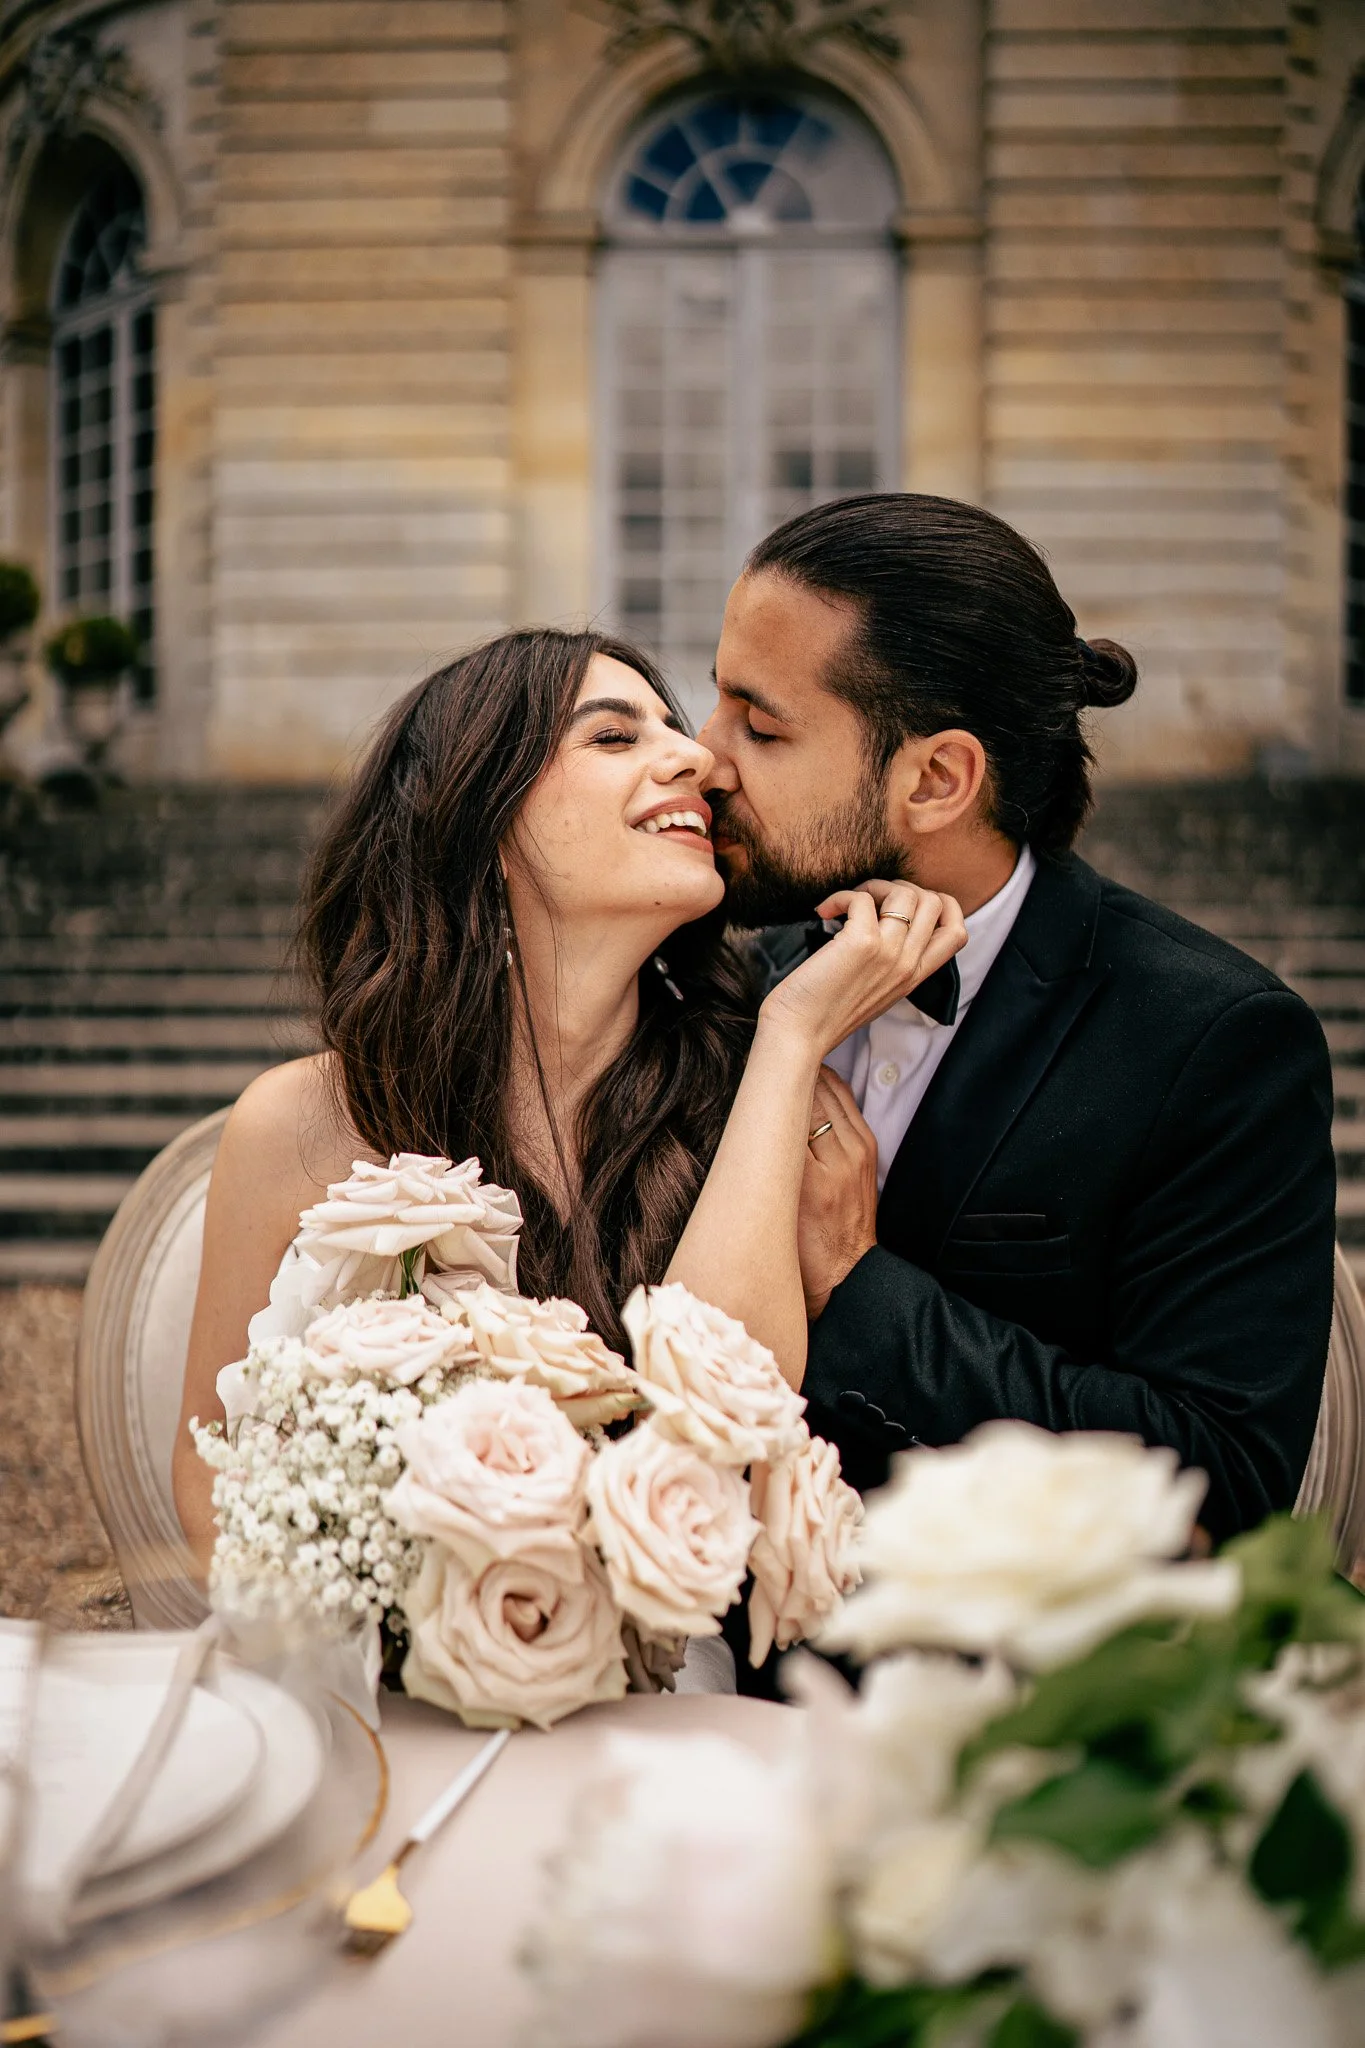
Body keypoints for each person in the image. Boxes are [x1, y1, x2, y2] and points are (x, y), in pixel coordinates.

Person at [172, 627, 963, 1568]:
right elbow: (210, 1476)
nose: (699, 759)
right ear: (481, 814)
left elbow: (723, 1432)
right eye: (613, 737)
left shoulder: (758, 1099)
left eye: (672, 729)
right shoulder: (301, 1122)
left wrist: (791, 1036)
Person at [697, 492, 1337, 1548]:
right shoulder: (735, 989)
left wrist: (857, 1284)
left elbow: (1216, 1482)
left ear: (939, 778)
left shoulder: (1214, 1042)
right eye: (715, 702)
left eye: (761, 725)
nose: (704, 756)